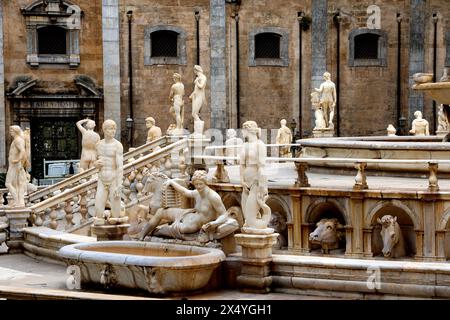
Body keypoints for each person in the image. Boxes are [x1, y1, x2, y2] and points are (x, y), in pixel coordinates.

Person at [138, 170, 238, 242]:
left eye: (201, 184)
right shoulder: (197, 192)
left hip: (193, 226)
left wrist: (215, 223)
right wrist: (172, 182)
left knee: (173, 229)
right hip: (188, 215)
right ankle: (142, 235)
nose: (198, 187)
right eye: (196, 184)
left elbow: (224, 215)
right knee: (160, 212)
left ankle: (155, 233)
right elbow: (185, 192)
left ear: (205, 183)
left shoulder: (213, 197)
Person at [239, 121, 271, 229]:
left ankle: (259, 227)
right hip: (245, 182)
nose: (242, 132)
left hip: (256, 181)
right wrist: (242, 180)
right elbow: (242, 164)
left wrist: (263, 185)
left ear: (248, 130)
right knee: (246, 217)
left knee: (250, 219)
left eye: (243, 129)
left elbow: (261, 166)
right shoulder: (245, 145)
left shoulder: (259, 145)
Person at [93, 120, 123, 225]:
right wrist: (96, 164)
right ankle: (100, 237)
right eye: (111, 128)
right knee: (98, 210)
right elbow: (94, 161)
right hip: (101, 179)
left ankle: (114, 236)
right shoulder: (98, 145)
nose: (113, 130)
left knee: (116, 214)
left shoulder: (117, 145)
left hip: (113, 179)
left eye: (114, 128)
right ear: (104, 129)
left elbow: (120, 166)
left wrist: (120, 185)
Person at [5, 126, 28, 208]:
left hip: (14, 165)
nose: (10, 132)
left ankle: (17, 201)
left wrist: (17, 160)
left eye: (11, 130)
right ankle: (18, 202)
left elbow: (22, 150)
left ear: (15, 131)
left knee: (8, 183)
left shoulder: (18, 140)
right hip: (14, 165)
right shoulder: (17, 140)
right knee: (17, 184)